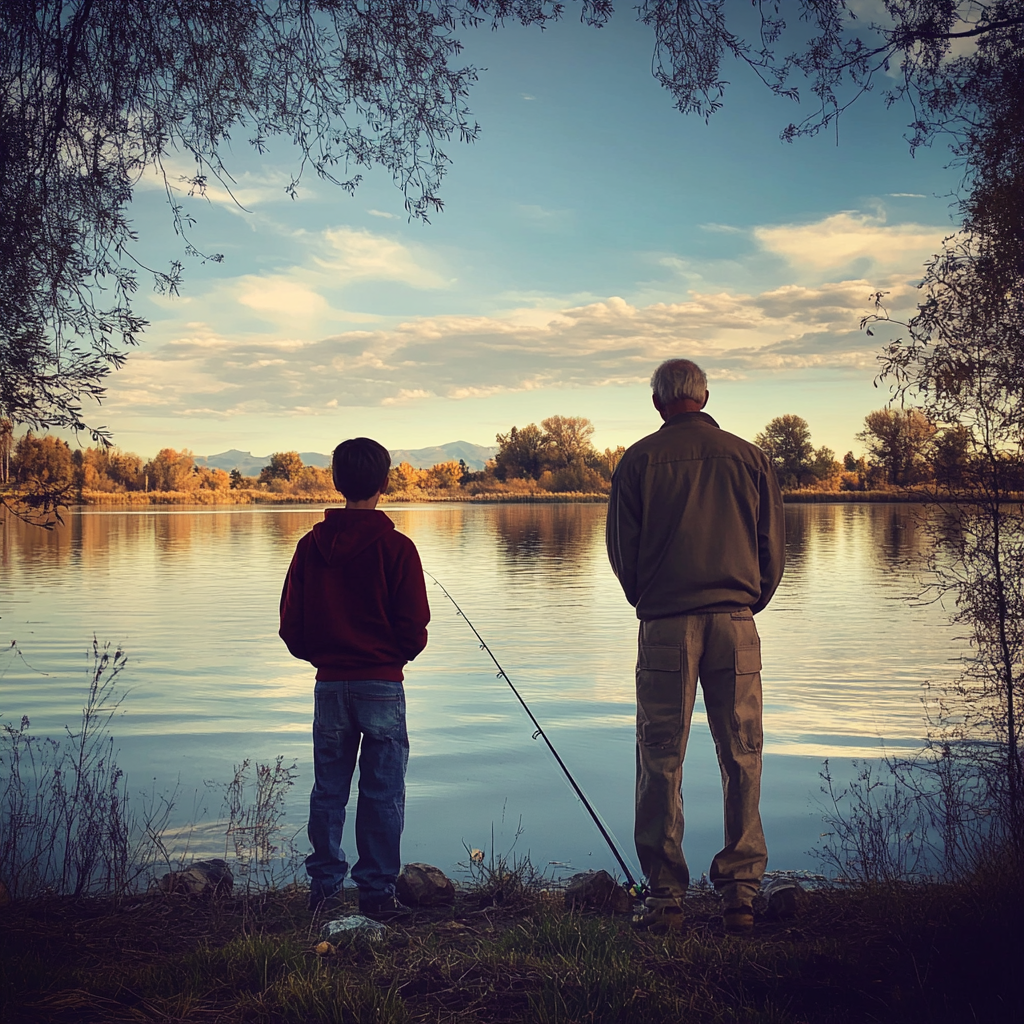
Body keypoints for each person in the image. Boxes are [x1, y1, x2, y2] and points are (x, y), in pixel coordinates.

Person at [606, 359, 785, 935]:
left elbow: (620, 554)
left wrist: (652, 599)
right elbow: (772, 552)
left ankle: (664, 897)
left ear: (657, 402)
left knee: (660, 756)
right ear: (705, 396)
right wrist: (746, 603)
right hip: (735, 622)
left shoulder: (636, 461)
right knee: (742, 753)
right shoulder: (750, 458)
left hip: (664, 626)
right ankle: (741, 893)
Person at [279, 437, 430, 918]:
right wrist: (393, 657)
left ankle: (323, 890)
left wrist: (323, 656)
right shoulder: (398, 548)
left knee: (328, 790)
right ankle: (376, 895)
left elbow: (291, 624)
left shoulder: (309, 547)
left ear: (335, 482)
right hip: (383, 684)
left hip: (330, 685)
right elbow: (414, 626)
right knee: (383, 791)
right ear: (386, 483)